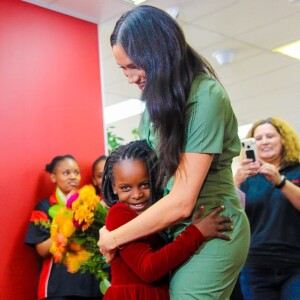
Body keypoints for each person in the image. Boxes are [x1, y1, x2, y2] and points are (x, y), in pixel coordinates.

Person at [98, 5, 250, 299]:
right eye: (122, 69)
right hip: (170, 234)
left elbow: (181, 201)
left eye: (133, 66)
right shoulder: (155, 106)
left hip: (211, 227)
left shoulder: (205, 96)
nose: (129, 77)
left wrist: (113, 238)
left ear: (158, 54)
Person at [102, 140, 233, 299]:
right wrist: (196, 233)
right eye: (126, 188)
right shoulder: (119, 213)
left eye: (144, 185)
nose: (136, 195)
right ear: (114, 187)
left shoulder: (158, 212)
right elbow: (148, 269)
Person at [234, 117, 300, 300]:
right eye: (258, 139)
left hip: (295, 263)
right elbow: (233, 217)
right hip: (256, 266)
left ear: (283, 139)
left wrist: (280, 182)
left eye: (270, 136)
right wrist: (236, 183)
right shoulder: (246, 178)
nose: (264, 142)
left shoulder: (297, 170)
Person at [25, 155, 101, 300]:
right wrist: (70, 225)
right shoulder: (44, 207)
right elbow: (42, 249)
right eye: (66, 173)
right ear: (54, 177)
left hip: (90, 286)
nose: (73, 177)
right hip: (57, 288)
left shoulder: (91, 204)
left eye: (76, 172)